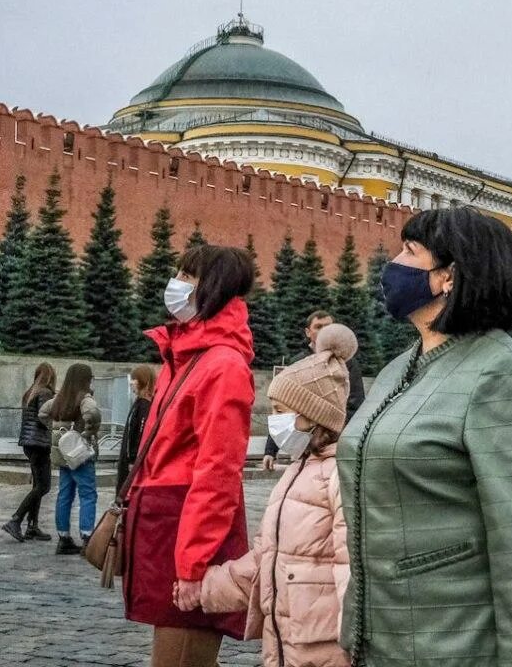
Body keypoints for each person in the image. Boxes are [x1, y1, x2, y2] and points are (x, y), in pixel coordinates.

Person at [337, 207, 512, 666]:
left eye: (410, 251)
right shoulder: (396, 370)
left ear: (449, 276)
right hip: (378, 640)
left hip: (454, 645)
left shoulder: (504, 372)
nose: (393, 264)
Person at [123, 244, 256, 667]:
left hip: (189, 531)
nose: (175, 284)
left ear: (211, 287)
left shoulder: (223, 365)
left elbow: (218, 472)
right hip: (168, 524)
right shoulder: (185, 356)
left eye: (186, 276)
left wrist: (195, 564)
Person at [200, 323, 357, 667]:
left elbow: (352, 571)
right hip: (284, 647)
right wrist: (207, 587)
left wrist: (358, 646)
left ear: (313, 416)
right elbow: (265, 559)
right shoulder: (294, 473)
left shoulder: (341, 476)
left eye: (280, 411)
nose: (273, 422)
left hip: (326, 651)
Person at [262, 309, 366, 471]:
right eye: (318, 326)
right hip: (303, 445)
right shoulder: (299, 363)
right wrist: (270, 450)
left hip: (335, 446)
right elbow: (283, 408)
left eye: (328, 326)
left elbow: (356, 405)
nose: (324, 331)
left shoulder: (348, 364)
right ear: (308, 332)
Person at [39, 363, 101, 555]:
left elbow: (42, 413)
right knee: (88, 494)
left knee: (64, 494)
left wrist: (56, 430)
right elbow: (93, 413)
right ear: (85, 379)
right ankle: (87, 536)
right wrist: (89, 431)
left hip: (64, 454)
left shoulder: (59, 398)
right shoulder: (84, 398)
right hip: (80, 454)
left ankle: (63, 537)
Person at [1, 363, 56, 542]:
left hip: (28, 443)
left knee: (37, 486)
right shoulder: (45, 393)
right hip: (40, 443)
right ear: (50, 377)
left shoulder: (30, 392)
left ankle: (33, 526)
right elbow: (44, 418)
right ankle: (16, 520)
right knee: (43, 486)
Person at [116, 364, 157, 494]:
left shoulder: (144, 406)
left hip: (132, 462)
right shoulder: (139, 403)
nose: (131, 383)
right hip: (128, 460)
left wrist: (133, 459)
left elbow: (139, 433)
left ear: (142, 381)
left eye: (134, 380)